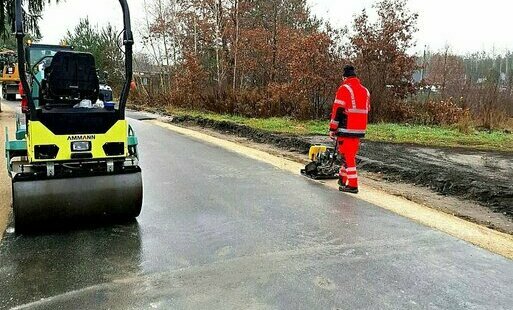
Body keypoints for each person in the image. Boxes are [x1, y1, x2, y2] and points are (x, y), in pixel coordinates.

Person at [329, 65, 370, 194]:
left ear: (344, 77)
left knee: (348, 156)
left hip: (346, 128)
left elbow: (338, 111)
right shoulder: (365, 91)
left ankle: (352, 185)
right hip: (360, 129)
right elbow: (367, 109)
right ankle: (342, 178)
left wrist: (332, 128)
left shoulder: (344, 89)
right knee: (348, 154)